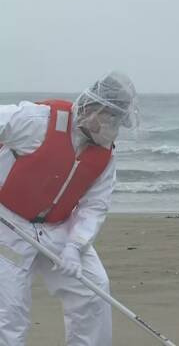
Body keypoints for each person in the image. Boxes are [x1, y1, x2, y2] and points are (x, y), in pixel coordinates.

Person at [0, 71, 138, 346]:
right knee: (10, 311)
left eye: (119, 122)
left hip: (58, 228)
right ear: (93, 108)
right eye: (112, 119)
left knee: (94, 289)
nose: (114, 128)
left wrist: (76, 245)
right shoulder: (38, 120)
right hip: (8, 223)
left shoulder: (105, 154)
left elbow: (95, 206)